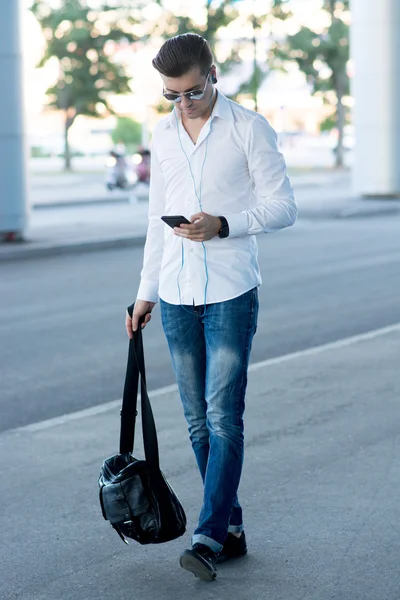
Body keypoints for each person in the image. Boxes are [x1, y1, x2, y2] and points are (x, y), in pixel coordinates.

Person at [125, 33, 297, 581]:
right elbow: (157, 222)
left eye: (192, 92)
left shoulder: (250, 129)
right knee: (197, 422)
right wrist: (145, 293)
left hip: (229, 293)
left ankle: (206, 538)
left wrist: (224, 225)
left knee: (223, 418)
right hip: (175, 296)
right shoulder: (163, 134)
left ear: (213, 75)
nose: (183, 104)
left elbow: (283, 207)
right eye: (171, 95)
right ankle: (232, 526)